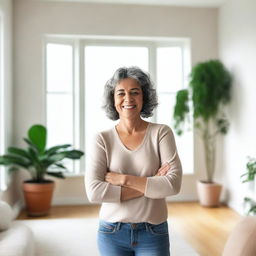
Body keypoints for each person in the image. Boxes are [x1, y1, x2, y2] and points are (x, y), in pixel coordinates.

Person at [85, 66, 182, 256]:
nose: (128, 99)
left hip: (153, 231)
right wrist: (151, 181)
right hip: (111, 232)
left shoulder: (161, 133)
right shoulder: (102, 139)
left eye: (135, 92)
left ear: (144, 97)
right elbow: (94, 192)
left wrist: (123, 180)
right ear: (113, 100)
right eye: (121, 93)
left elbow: (173, 185)